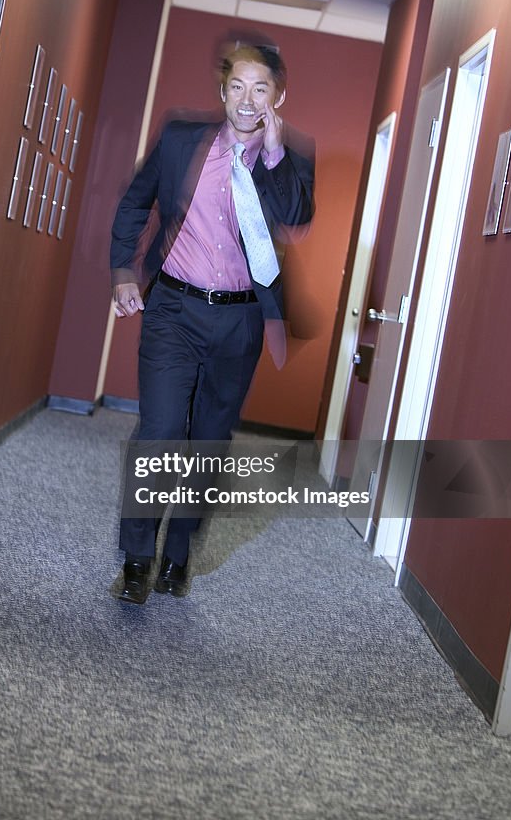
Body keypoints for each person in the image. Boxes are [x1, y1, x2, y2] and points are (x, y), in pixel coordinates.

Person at [110, 41, 315, 603]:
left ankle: (177, 556)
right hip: (173, 309)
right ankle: (135, 561)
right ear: (221, 91)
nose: (247, 100)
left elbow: (296, 218)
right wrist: (124, 272)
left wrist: (273, 154)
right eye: (237, 87)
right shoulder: (181, 139)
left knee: (207, 440)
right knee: (159, 431)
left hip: (239, 321)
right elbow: (135, 202)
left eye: (261, 89)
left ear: (278, 97)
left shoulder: (293, 159)